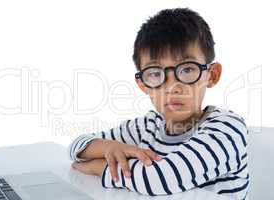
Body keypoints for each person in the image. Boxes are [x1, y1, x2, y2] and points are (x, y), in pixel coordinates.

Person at [68, 8, 249, 200]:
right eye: (155, 73)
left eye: (187, 69)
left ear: (211, 75)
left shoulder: (227, 128)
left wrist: (98, 166)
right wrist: (107, 148)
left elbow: (159, 179)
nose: (172, 87)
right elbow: (77, 147)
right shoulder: (146, 127)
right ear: (143, 84)